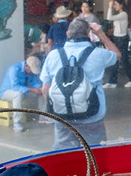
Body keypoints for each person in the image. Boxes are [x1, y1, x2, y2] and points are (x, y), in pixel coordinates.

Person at [41, 20, 120, 150]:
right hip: (91, 116)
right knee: (95, 154)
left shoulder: (53, 55)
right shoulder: (98, 54)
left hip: (63, 118)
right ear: (89, 35)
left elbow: (45, 89)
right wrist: (101, 34)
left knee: (64, 155)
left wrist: (58, 109)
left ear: (67, 33)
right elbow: (117, 55)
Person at [0, 56, 45, 133]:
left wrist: (41, 89)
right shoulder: (14, 69)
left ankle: (43, 117)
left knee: (42, 92)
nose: (32, 72)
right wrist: (32, 90)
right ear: (26, 65)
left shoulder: (30, 72)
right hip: (6, 92)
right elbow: (15, 87)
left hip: (22, 91)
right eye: (31, 70)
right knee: (18, 94)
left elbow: (35, 83)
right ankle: (17, 124)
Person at [105, 0, 131, 88]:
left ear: (121, 5)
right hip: (117, 38)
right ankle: (112, 81)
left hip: (122, 39)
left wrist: (109, 7)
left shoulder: (123, 14)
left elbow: (109, 17)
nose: (114, 6)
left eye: (116, 4)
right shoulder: (120, 15)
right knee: (116, 60)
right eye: (114, 4)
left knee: (123, 60)